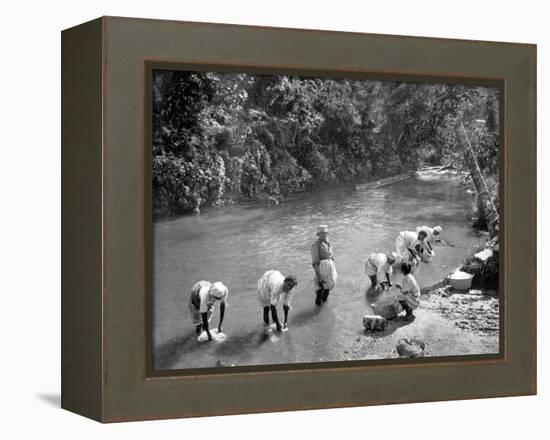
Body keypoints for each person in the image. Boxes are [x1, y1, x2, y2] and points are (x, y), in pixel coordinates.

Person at [311, 225, 338, 305]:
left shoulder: (328, 243)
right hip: (321, 270)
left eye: (325, 233)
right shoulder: (315, 245)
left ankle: (323, 309)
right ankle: (316, 311)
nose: (324, 235)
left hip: (329, 269)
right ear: (318, 234)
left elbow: (331, 256)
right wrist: (319, 277)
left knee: (327, 289)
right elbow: (315, 262)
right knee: (319, 291)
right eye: (322, 233)